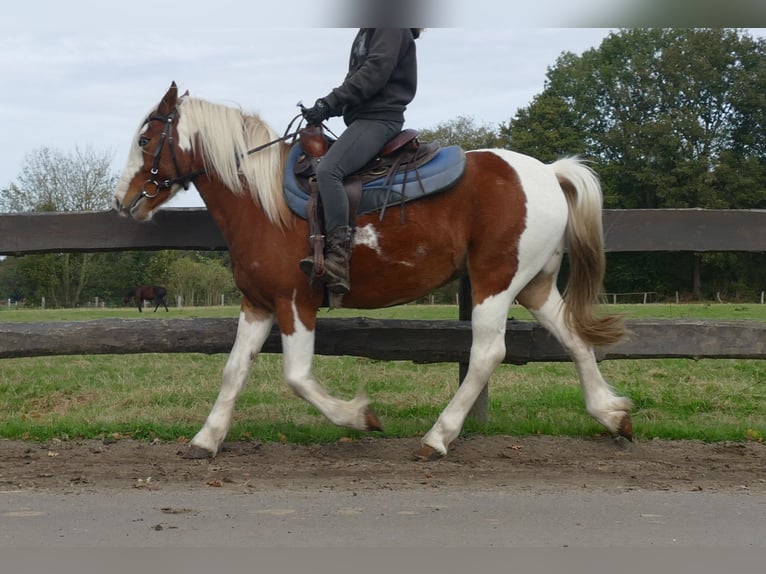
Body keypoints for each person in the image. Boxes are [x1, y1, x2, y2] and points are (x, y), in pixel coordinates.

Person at [300, 28, 422, 294]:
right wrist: (327, 109)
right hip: (363, 118)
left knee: (329, 171)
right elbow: (357, 79)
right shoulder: (370, 28)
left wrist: (328, 102)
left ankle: (338, 260)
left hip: (379, 119)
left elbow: (374, 73)